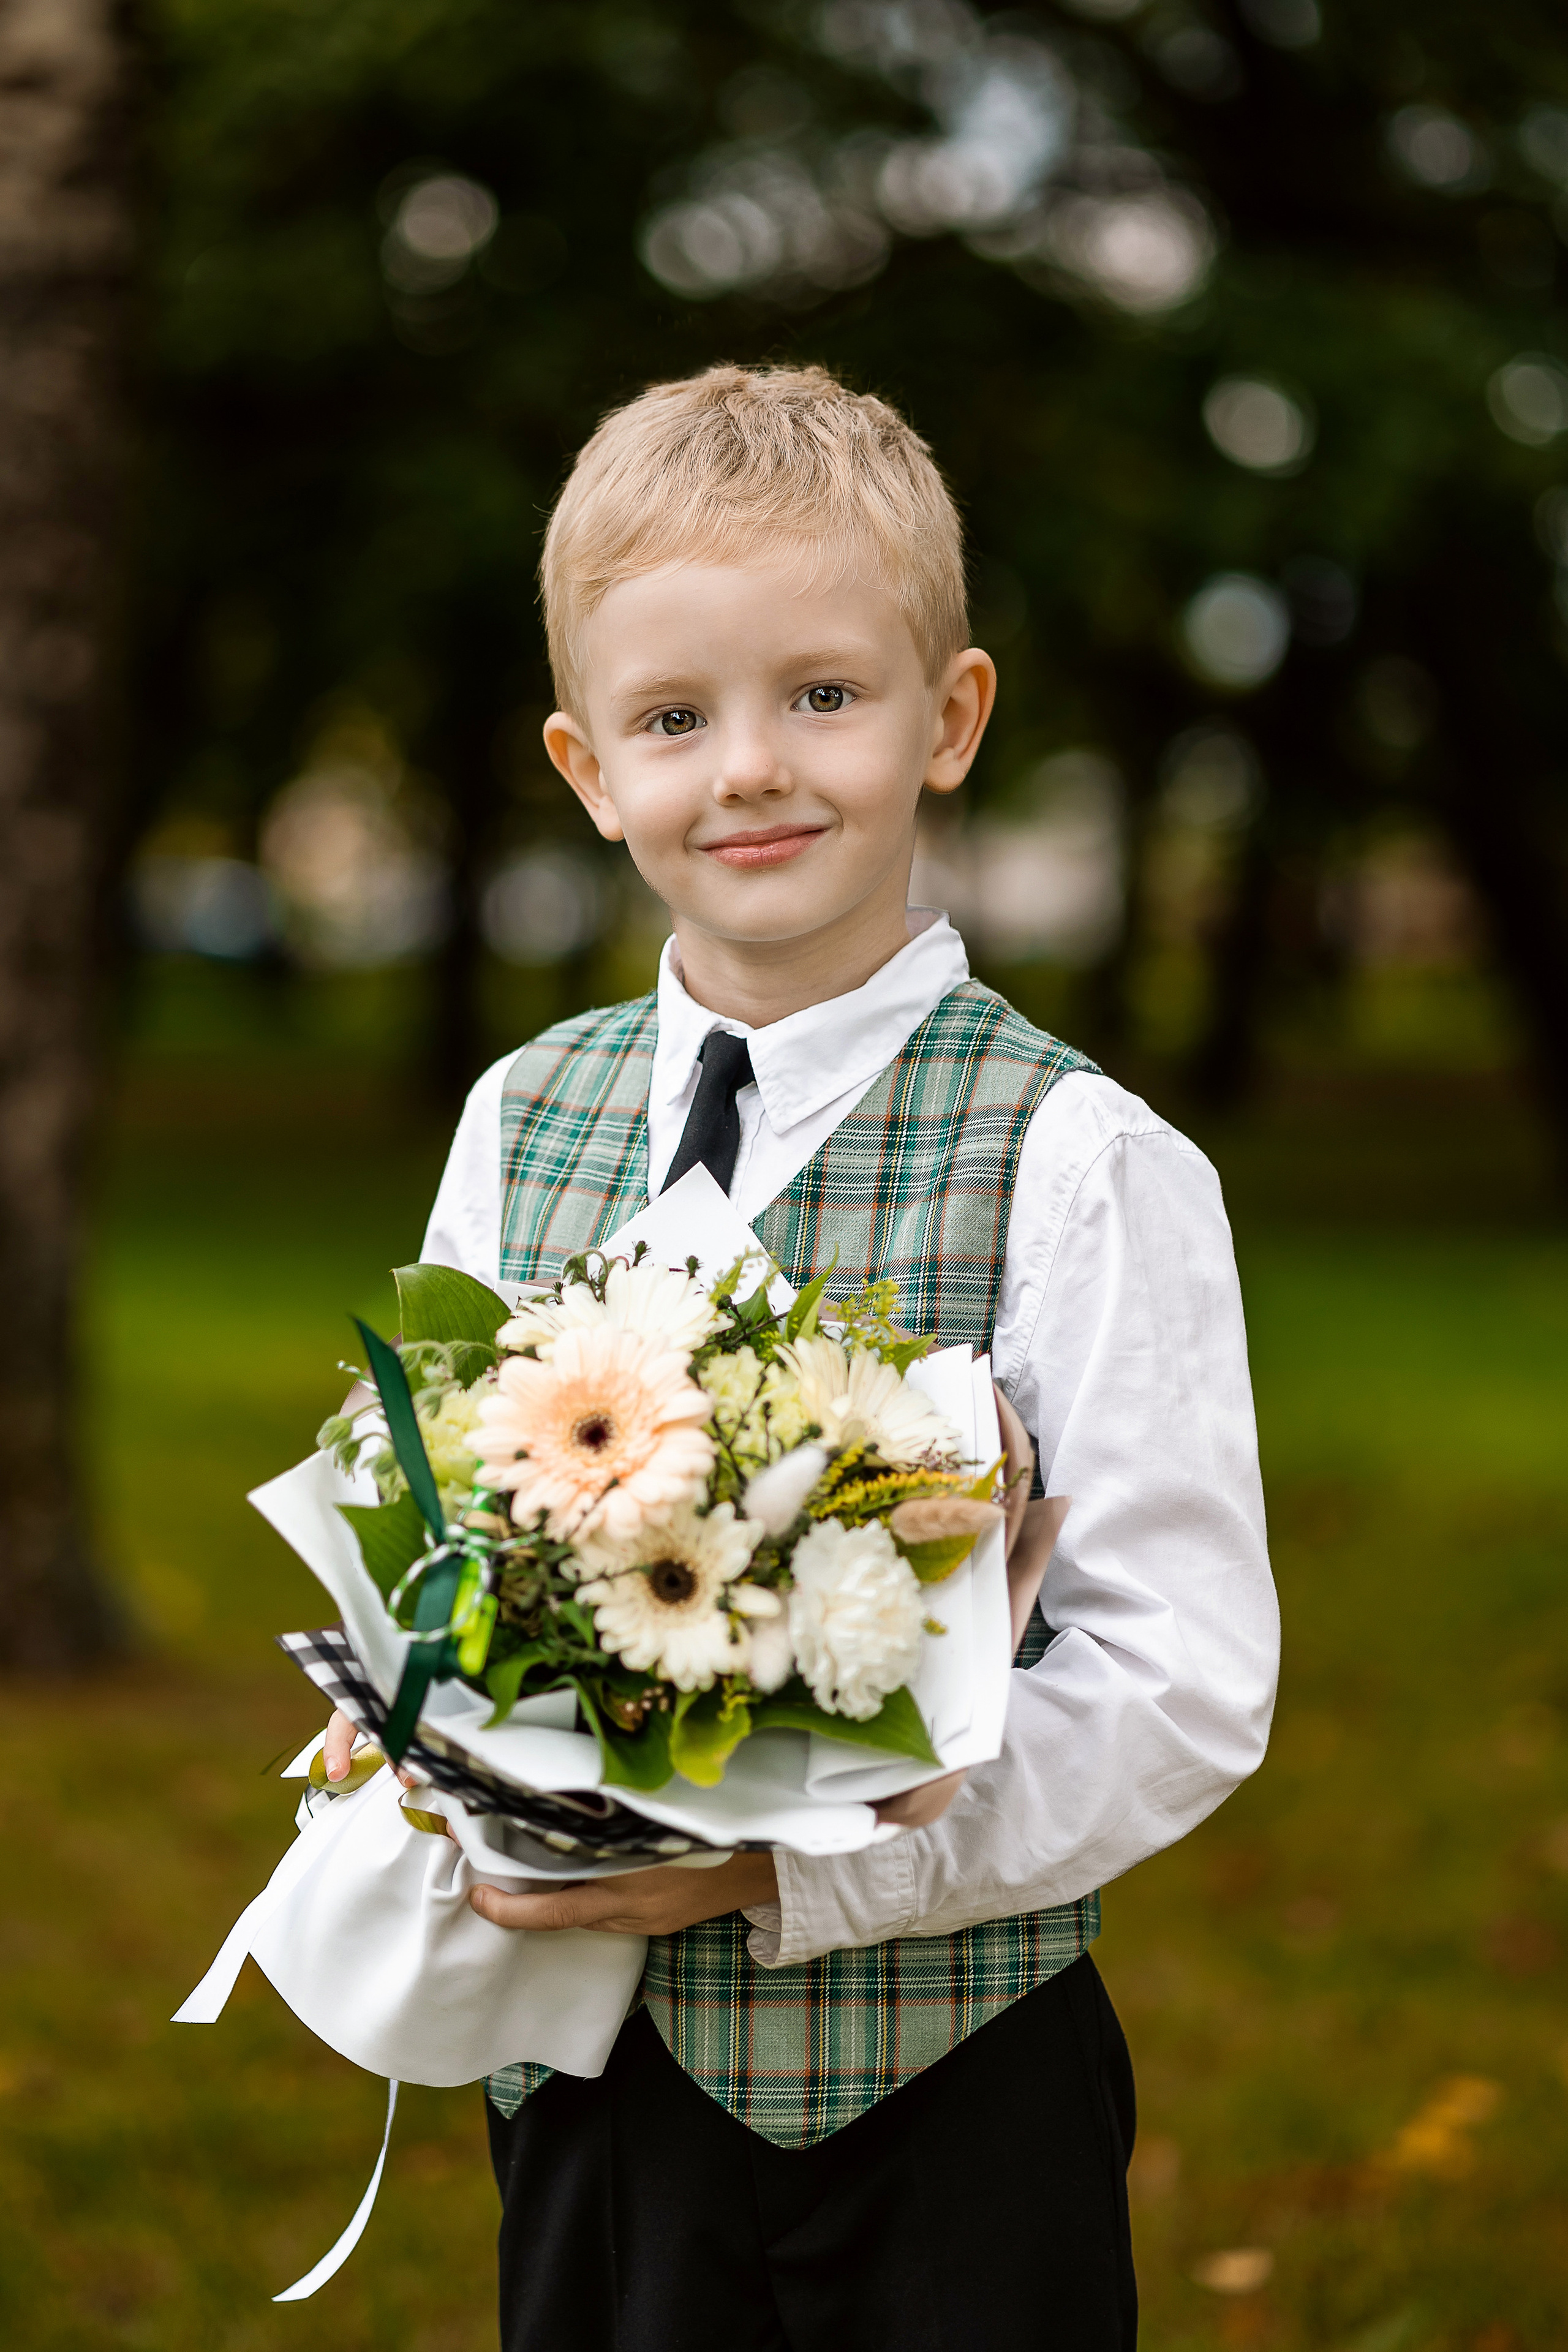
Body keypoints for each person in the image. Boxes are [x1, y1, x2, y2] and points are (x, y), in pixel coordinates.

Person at [323, 363, 1278, 2350]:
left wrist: (790, 1882)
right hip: (594, 2092)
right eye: (677, 718)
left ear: (950, 720)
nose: (750, 766)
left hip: (954, 2100)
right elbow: (450, 1528)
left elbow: (1178, 1685)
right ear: (590, 770)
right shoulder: (525, 1114)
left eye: (823, 695)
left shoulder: (1083, 1159)